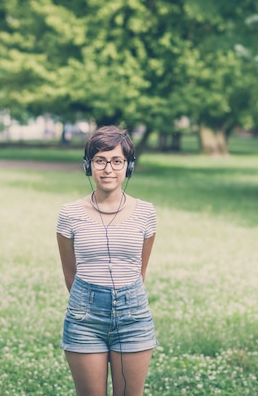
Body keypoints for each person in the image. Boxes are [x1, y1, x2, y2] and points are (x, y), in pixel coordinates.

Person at [56, 125, 158, 396]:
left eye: (117, 161)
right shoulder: (69, 214)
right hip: (84, 318)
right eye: (100, 160)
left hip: (133, 317)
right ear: (88, 166)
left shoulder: (146, 213)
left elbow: (140, 270)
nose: (108, 169)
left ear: (129, 166)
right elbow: (70, 274)